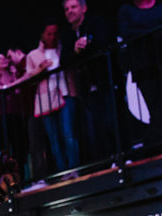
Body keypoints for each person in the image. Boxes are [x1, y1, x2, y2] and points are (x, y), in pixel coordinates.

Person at [117, 0, 162, 145]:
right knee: (157, 110)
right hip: (145, 69)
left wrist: (146, 32)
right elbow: (127, 33)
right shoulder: (126, 10)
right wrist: (159, 34)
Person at [60, 0, 116, 162]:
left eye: (73, 7)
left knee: (112, 118)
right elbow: (65, 60)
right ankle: (111, 157)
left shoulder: (96, 23)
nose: (69, 11)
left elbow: (105, 42)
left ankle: (125, 155)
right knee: (99, 124)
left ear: (84, 8)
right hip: (85, 86)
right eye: (66, 9)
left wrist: (87, 45)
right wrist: (76, 50)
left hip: (105, 79)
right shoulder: (68, 35)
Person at [26, 20, 80, 174]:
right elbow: (29, 77)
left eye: (55, 33)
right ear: (43, 35)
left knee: (69, 133)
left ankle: (74, 168)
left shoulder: (64, 49)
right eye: (49, 33)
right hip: (46, 100)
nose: (52, 36)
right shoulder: (33, 55)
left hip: (66, 94)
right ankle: (62, 171)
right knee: (54, 138)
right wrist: (41, 68)